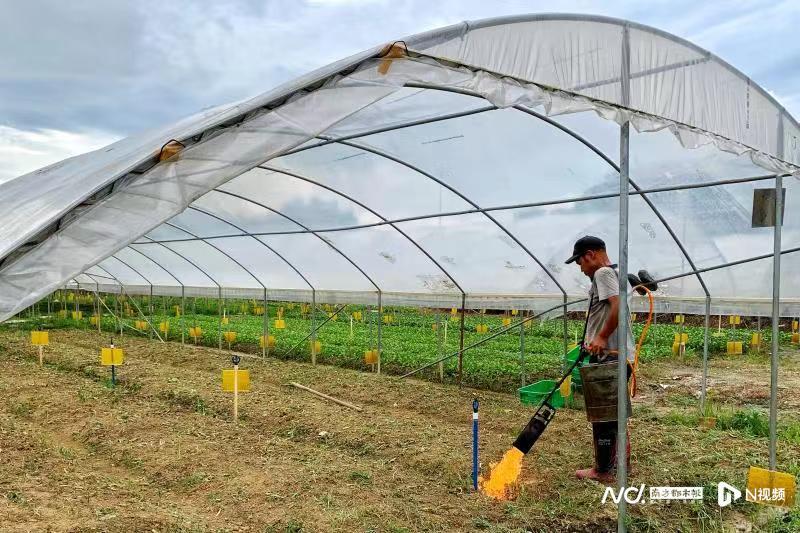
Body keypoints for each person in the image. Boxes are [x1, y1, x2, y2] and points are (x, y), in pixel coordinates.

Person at [565, 235, 633, 482]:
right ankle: (620, 465)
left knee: (603, 417)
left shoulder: (603, 274)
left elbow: (616, 306)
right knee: (613, 416)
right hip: (613, 358)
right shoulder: (613, 274)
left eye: (580, 262)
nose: (581, 269)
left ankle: (603, 470)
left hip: (608, 358)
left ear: (591, 255)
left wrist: (601, 337)